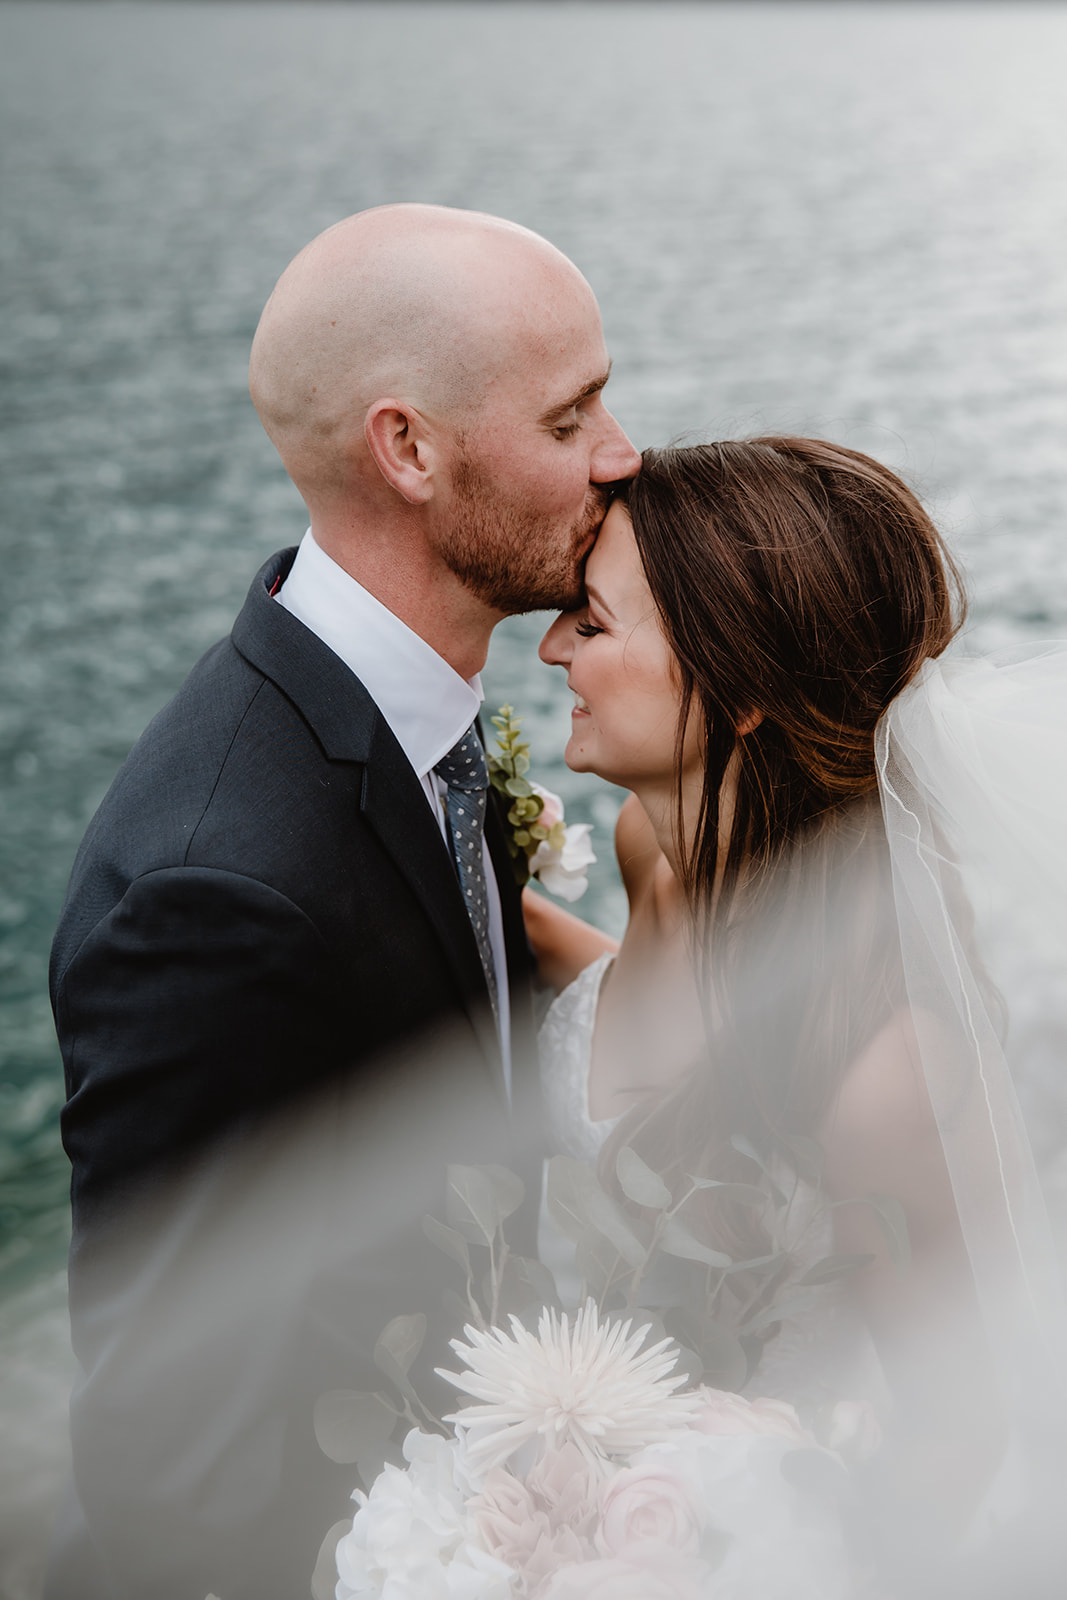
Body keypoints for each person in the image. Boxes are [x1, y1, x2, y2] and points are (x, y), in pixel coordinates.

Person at [47, 203, 640, 1600]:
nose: (621, 454)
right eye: (569, 419)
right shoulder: (219, 889)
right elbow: (169, 1458)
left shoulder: (411, 728)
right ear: (408, 449)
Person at [528, 438, 1066, 1586]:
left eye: (592, 620)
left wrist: (743, 1544)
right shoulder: (651, 857)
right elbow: (636, 1039)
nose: (548, 646)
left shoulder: (885, 1068)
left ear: (741, 697)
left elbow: (954, 1434)